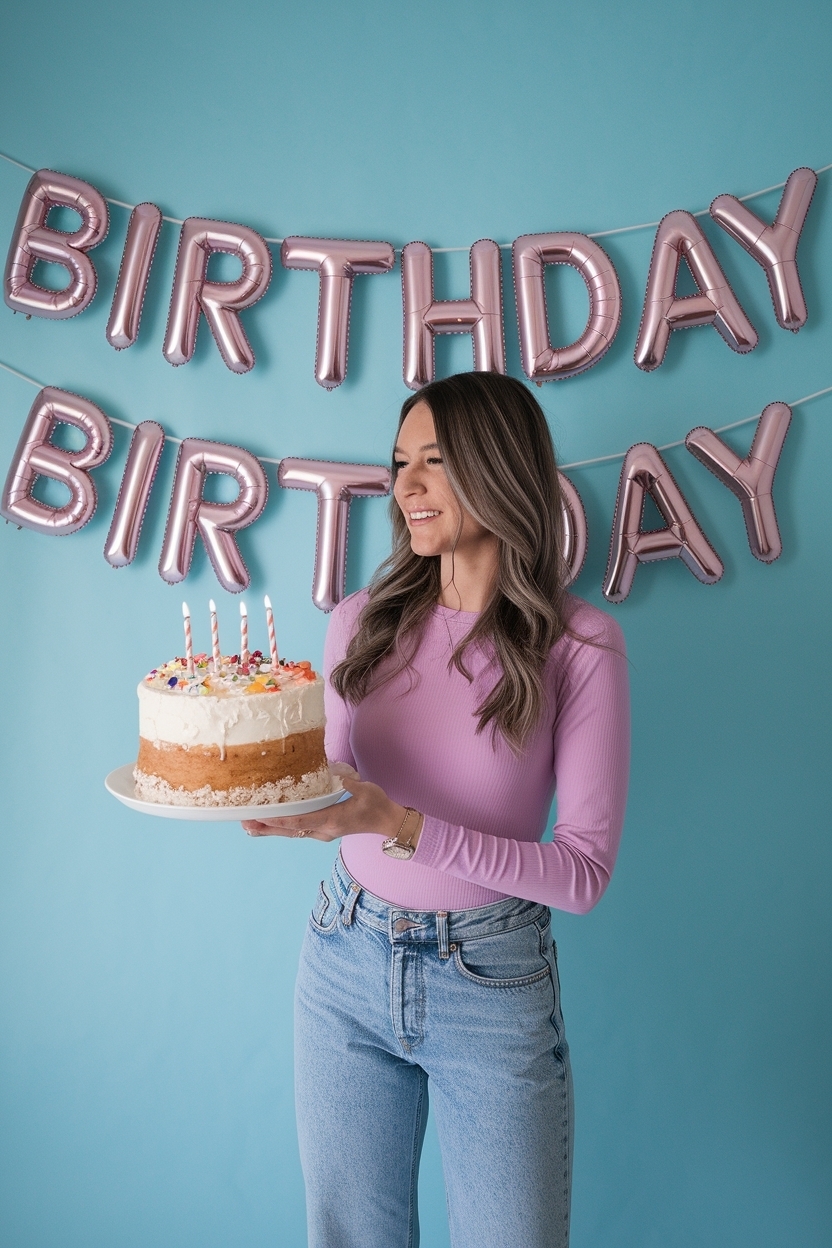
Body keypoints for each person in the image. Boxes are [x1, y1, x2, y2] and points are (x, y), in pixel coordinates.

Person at [243, 371, 630, 1248]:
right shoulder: (359, 621)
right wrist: (281, 792)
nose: (404, 487)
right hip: (344, 956)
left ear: (500, 471)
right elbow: (341, 784)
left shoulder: (580, 646)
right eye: (398, 464)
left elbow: (583, 872)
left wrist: (405, 827)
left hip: (491, 982)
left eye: (433, 463)